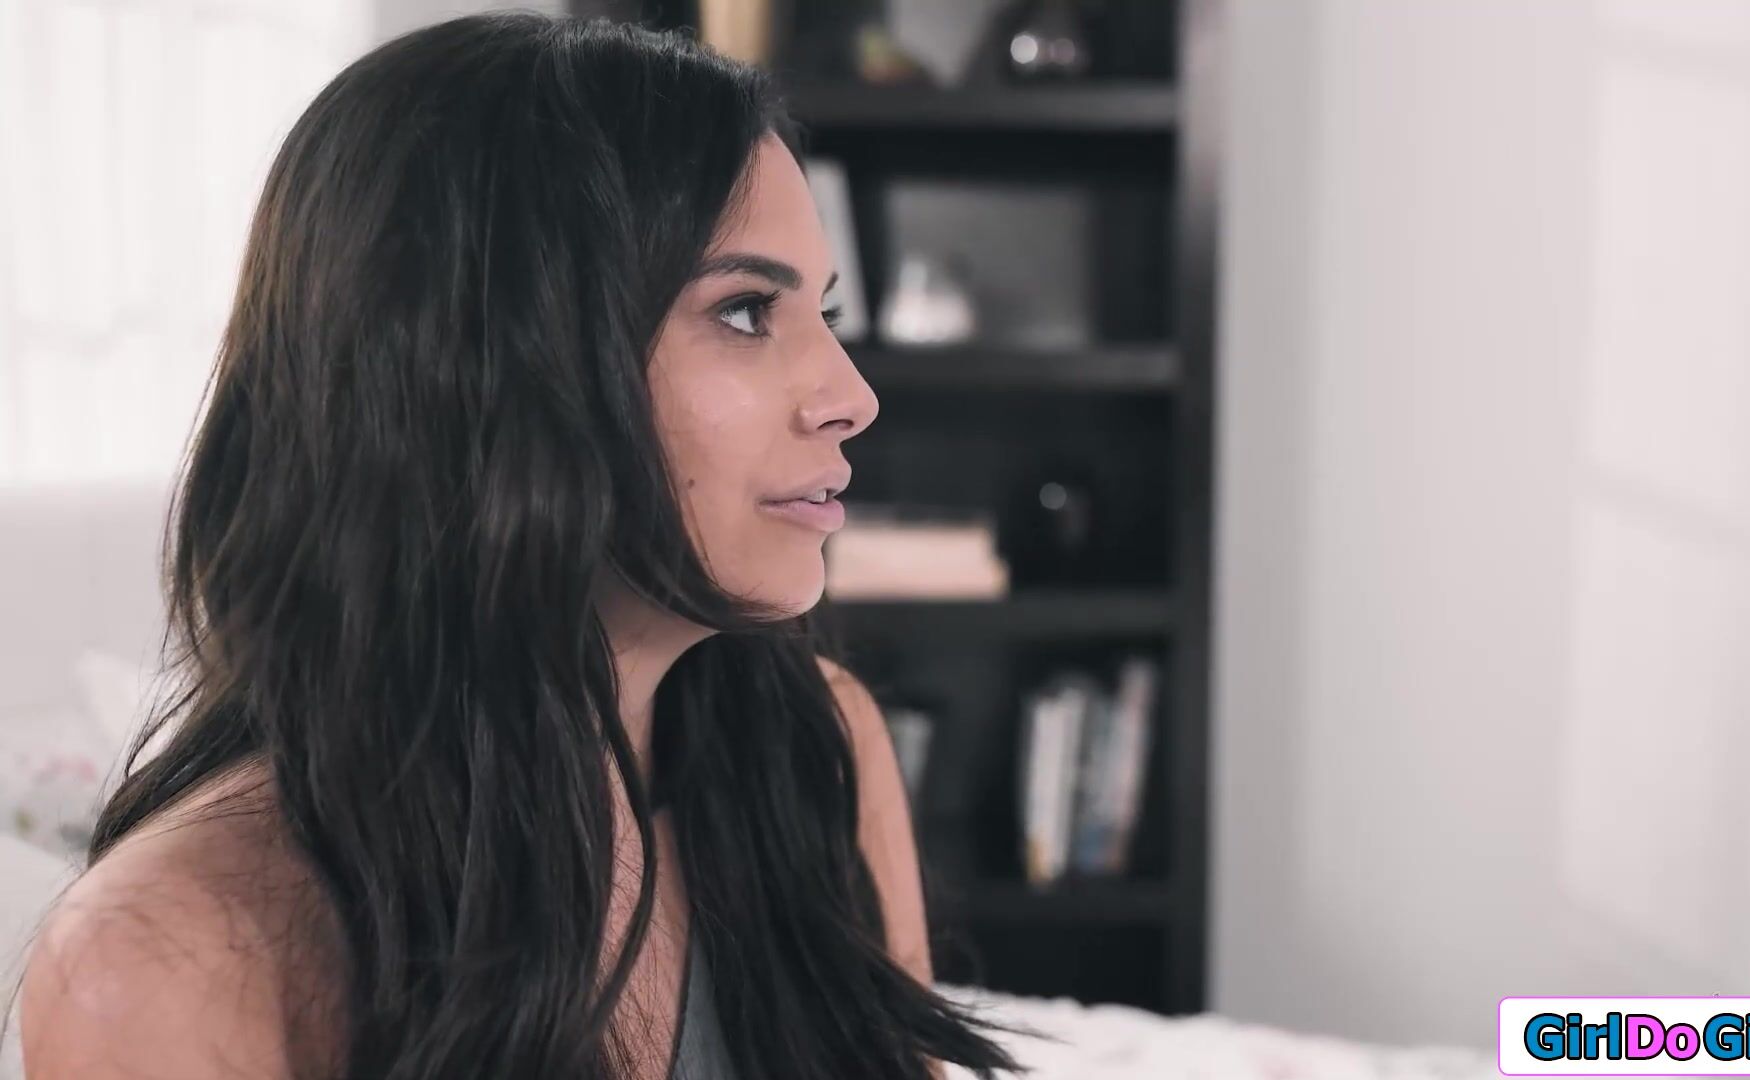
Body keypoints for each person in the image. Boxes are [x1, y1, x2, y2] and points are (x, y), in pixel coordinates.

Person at [16, 13, 1017, 1079]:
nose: (852, 398)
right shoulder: (166, 957)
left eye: (824, 315)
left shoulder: (818, 747)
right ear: (484, 365)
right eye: (743, 311)